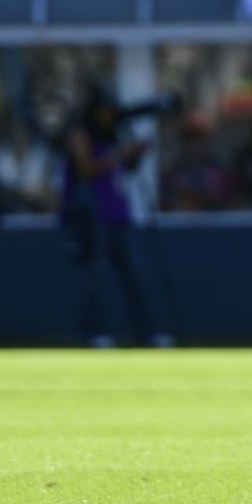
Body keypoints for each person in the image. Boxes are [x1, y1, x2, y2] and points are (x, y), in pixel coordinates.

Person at [64, 92, 173, 348]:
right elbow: (86, 170)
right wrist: (120, 155)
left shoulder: (116, 132)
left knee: (135, 276)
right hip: (92, 215)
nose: (110, 116)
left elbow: (127, 169)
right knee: (97, 278)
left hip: (119, 214)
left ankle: (147, 333)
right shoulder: (80, 133)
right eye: (105, 110)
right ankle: (96, 333)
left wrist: (136, 154)